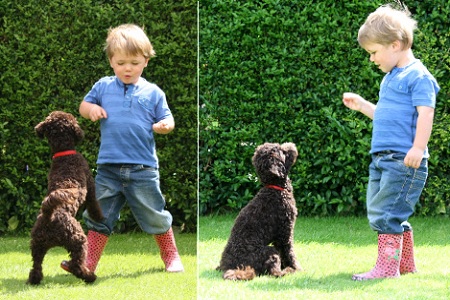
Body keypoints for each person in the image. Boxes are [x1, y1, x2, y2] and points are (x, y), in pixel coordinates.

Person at [61, 24, 184, 273]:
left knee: (154, 213)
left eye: (134, 63)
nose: (127, 68)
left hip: (143, 168)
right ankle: (87, 263)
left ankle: (171, 257)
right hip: (108, 168)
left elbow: (169, 120)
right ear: (111, 61)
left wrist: (164, 125)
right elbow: (84, 106)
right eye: (121, 63)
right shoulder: (103, 87)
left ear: (146, 61)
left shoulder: (153, 93)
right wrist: (91, 110)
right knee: (99, 215)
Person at [342, 4, 439, 281]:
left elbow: (426, 113)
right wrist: (363, 106)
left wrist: (418, 148)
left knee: (386, 214)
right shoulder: (390, 79)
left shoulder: (418, 77)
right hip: (382, 158)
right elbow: (386, 118)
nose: (371, 59)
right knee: (386, 211)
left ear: (395, 44)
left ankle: (386, 269)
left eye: (374, 52)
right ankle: (405, 265)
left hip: (403, 160)